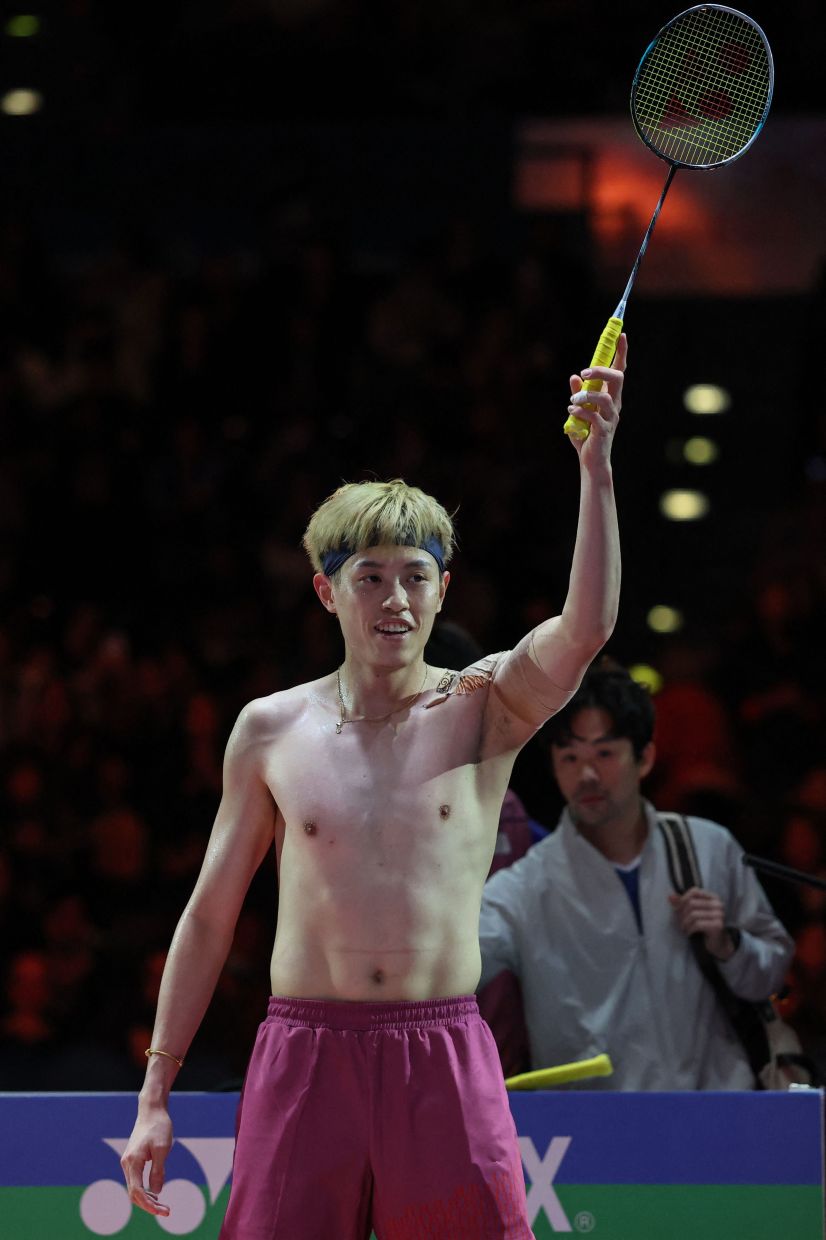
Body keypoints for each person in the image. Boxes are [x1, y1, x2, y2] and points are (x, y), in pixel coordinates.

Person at [120, 337, 626, 1239]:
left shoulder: (487, 707)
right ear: (326, 591)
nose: (395, 599)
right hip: (303, 1055)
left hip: (442, 1052)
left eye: (416, 578)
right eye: (371, 577)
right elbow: (208, 913)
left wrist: (597, 470)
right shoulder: (269, 729)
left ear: (443, 592)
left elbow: (584, 629)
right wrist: (156, 1088)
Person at [478, 660, 795, 1091]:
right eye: (570, 757)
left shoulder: (708, 848)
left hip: (719, 1115)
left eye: (604, 753)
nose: (586, 774)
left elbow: (774, 971)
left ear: (645, 757)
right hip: (598, 1131)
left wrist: (728, 943)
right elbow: (453, 968)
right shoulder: (525, 888)